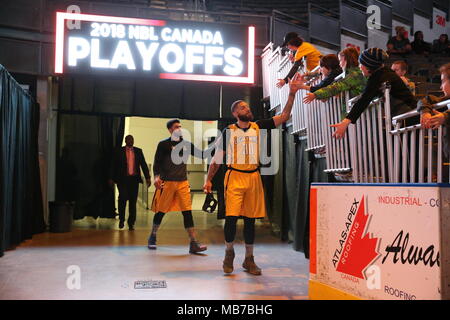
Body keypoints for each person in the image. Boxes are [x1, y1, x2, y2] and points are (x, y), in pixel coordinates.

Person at [203, 75, 302, 276]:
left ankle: (249, 259)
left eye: (247, 107)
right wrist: (208, 180)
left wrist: (292, 93)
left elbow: (283, 117)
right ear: (234, 113)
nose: (247, 109)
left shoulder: (259, 126)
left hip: (253, 177)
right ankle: (229, 253)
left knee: (250, 220)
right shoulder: (228, 131)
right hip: (234, 177)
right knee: (231, 219)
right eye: (242, 108)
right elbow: (217, 159)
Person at [147, 119, 207, 254]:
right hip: (167, 182)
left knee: (187, 212)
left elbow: (202, 154)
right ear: (170, 130)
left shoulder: (186, 144)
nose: (179, 129)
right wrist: (156, 177)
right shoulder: (163, 145)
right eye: (176, 127)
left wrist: (218, 146)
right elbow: (157, 163)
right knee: (161, 211)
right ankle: (153, 236)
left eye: (180, 126)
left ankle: (193, 243)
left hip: (182, 183)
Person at [331, 48, 417, 139]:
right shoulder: (382, 73)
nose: (360, 67)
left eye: (362, 64)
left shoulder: (379, 76)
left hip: (407, 116)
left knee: (406, 151)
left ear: (369, 66)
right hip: (406, 116)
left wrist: (345, 122)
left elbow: (364, 100)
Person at [110, 135, 151, 230]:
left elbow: (143, 165)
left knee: (133, 202)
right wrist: (111, 178)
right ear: (125, 141)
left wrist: (148, 177)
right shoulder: (119, 151)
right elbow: (113, 165)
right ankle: (121, 219)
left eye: (132, 139)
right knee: (122, 199)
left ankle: (131, 223)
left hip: (134, 180)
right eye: (128, 139)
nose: (130, 141)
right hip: (122, 179)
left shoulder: (138, 151)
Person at [302, 47, 366, 105]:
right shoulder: (354, 74)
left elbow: (335, 87)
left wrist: (316, 95)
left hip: (360, 113)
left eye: (340, 60)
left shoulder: (353, 75)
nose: (339, 64)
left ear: (346, 60)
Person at [419, 63, 450, 155]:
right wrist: (425, 112)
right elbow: (426, 100)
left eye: (443, 81)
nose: (441, 87)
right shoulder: (446, 99)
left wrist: (445, 116)